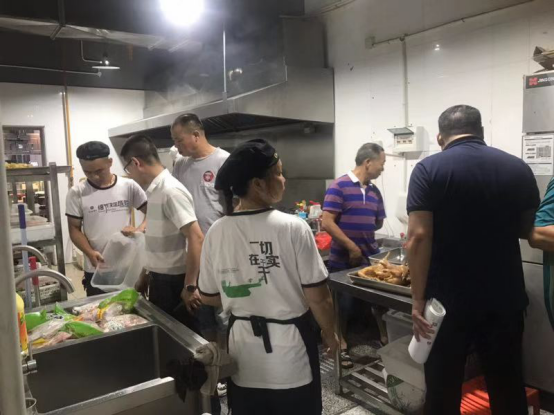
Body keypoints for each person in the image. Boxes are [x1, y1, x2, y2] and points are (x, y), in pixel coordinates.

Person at [407, 105, 540, 415]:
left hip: (446, 304)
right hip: (504, 299)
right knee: (507, 386)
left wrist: (417, 301)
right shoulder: (517, 168)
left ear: (440, 137)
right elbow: (528, 230)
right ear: (481, 132)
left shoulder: (428, 170)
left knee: (442, 390)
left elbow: (418, 237)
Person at [198, 139, 338, 415]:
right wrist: (330, 333)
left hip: (243, 349)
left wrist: (247, 296)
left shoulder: (216, 231)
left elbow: (208, 296)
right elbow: (319, 298)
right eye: (279, 173)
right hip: (291, 349)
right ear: (258, 184)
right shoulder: (293, 227)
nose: (283, 180)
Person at [120, 135, 204, 319]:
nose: (129, 174)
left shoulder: (170, 191)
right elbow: (156, 240)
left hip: (175, 282)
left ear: (136, 163)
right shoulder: (155, 191)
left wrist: (190, 286)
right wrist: (145, 274)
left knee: (179, 333)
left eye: (127, 168)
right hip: (160, 279)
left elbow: (196, 237)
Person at [322, 143, 387, 368]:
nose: (383, 168)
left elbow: (378, 221)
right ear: (368, 162)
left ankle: (383, 340)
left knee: (377, 303)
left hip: (370, 258)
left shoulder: (375, 191)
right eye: (382, 163)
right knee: (341, 306)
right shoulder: (339, 186)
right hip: (343, 259)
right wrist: (352, 246)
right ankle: (340, 346)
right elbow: (327, 222)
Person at [171, 113, 230, 343]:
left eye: (179, 140)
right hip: (193, 253)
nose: (177, 146)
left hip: (220, 252)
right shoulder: (180, 165)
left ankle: (227, 358)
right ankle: (213, 358)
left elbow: (234, 207)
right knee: (202, 314)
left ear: (196, 135)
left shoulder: (223, 161)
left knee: (224, 314)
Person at [66, 141, 148, 297]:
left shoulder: (128, 186)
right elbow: (74, 229)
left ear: (110, 162)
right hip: (97, 268)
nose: (94, 176)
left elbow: (153, 213)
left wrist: (139, 229)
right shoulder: (77, 192)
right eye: (87, 172)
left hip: (126, 264)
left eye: (99, 171)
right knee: (99, 309)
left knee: (130, 308)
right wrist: (90, 253)